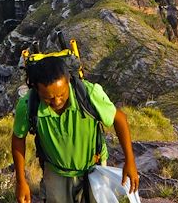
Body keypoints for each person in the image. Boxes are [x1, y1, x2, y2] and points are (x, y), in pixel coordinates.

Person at [11, 56, 139, 203]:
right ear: (37, 90)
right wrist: (21, 181)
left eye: (61, 94)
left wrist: (130, 160)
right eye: (48, 98)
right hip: (56, 172)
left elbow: (119, 118)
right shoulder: (28, 105)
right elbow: (18, 138)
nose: (57, 101)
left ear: (68, 81)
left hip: (93, 169)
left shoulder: (89, 94)